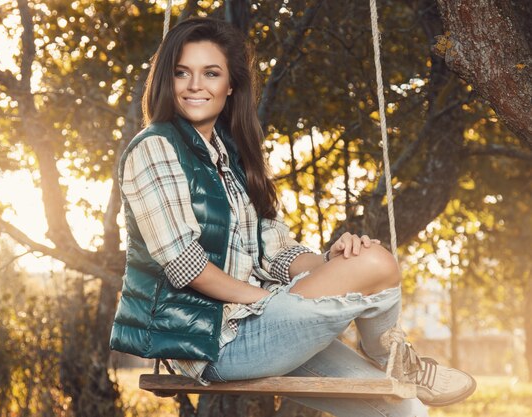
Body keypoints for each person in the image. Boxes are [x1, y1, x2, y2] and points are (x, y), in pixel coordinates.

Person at [110, 17, 476, 416]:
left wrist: (333, 265)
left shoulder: (234, 158)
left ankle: (391, 358)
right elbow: (186, 266)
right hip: (212, 341)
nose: (195, 84)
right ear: (168, 80)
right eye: (182, 72)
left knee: (404, 407)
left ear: (229, 86)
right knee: (375, 263)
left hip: (264, 324)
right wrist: (266, 301)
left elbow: (277, 253)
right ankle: (391, 355)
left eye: (210, 73)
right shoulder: (155, 148)